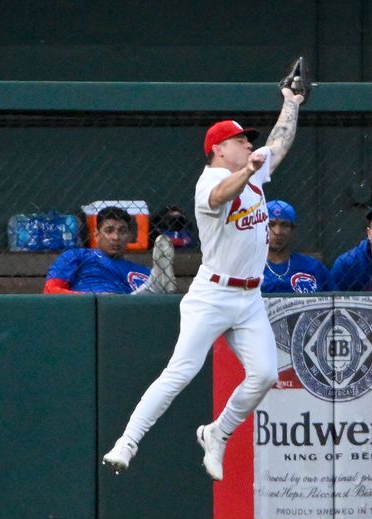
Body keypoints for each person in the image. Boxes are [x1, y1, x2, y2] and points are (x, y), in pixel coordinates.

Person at [102, 83, 305, 481]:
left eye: (248, 140)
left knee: (264, 374)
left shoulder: (249, 168)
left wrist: (291, 102)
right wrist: (248, 171)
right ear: (219, 149)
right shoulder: (209, 181)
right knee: (180, 371)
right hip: (212, 294)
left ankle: (218, 432)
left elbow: (279, 144)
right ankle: (127, 441)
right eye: (240, 140)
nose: (249, 144)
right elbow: (219, 198)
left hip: (249, 297)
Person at [43, 206, 177, 294]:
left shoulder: (142, 271)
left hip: (130, 310)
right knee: (151, 288)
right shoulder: (77, 255)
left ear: (130, 236)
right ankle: (155, 287)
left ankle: (156, 285)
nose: (116, 237)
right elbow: (50, 289)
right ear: (96, 234)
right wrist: (91, 298)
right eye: (109, 231)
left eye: (122, 231)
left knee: (151, 285)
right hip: (88, 308)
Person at [262, 199, 332, 293]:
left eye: (285, 225)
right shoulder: (248, 267)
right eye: (271, 225)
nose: (278, 232)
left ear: (293, 231)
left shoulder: (313, 266)